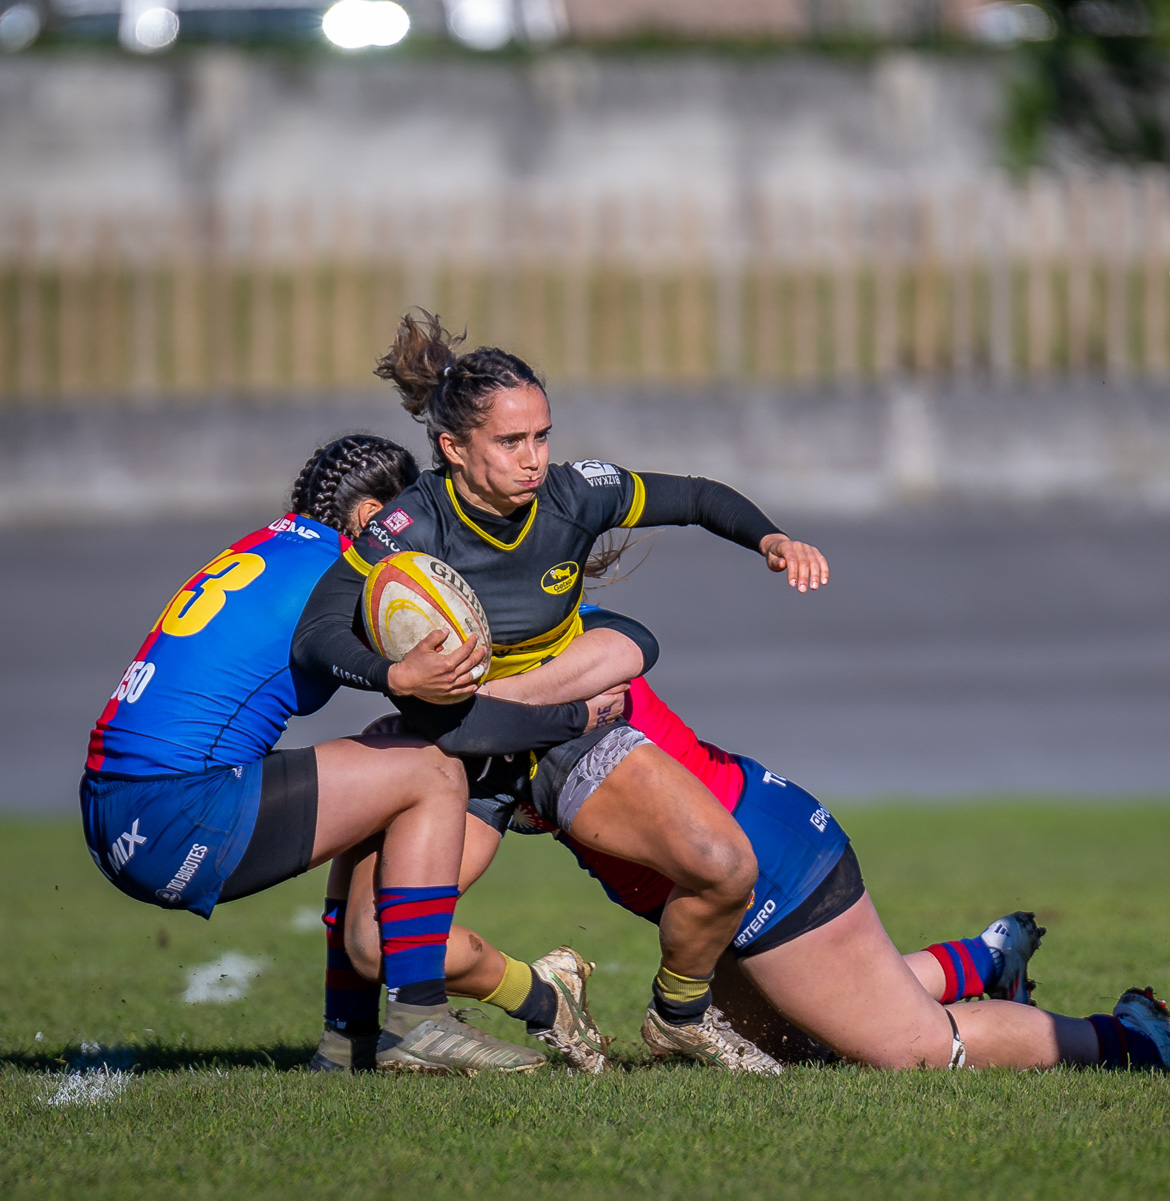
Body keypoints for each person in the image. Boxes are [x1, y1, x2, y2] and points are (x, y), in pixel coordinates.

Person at [293, 311, 833, 1070]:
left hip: (572, 734)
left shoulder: (575, 494)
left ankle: (680, 1013)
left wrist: (772, 539)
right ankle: (544, 995)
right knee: (378, 945)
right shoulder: (410, 524)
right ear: (453, 448)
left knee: (726, 864)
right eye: (511, 442)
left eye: (542, 435)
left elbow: (698, 497)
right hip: (471, 748)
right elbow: (316, 633)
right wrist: (395, 676)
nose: (535, 458)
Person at [335, 671, 1170, 1075]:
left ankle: (1142, 1040)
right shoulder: (483, 741)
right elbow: (417, 912)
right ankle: (981, 958)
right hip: (723, 892)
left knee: (917, 1049)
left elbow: (626, 638)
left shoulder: (560, 667)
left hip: (772, 867)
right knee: (807, 1035)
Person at [81, 435, 564, 1075]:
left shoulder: (271, 546)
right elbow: (457, 705)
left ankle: (348, 1039)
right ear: (369, 518)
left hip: (114, 809)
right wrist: (574, 715)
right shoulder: (342, 569)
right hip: (176, 813)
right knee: (433, 769)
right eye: (408, 518)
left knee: (387, 762)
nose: (418, 536)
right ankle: (420, 1017)